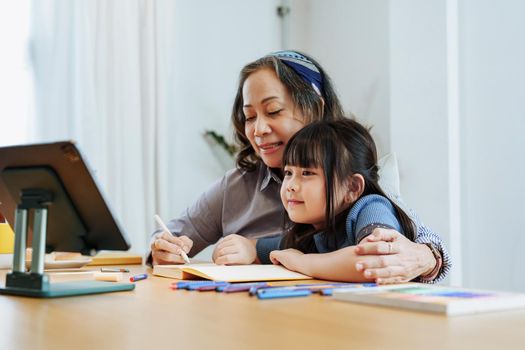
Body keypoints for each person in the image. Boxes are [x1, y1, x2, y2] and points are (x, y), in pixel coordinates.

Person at [148, 50, 449, 283]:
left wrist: (426, 256)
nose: (258, 129)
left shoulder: (358, 186)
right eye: (250, 117)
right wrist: (164, 249)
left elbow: (415, 243)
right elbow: (169, 237)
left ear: (315, 108)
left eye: (274, 111)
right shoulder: (236, 185)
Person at [263, 118, 426, 282]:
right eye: (289, 173)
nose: (291, 186)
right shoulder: (309, 229)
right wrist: (248, 247)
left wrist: (300, 261)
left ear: (353, 187)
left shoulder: (371, 207)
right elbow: (275, 250)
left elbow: (374, 261)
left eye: (307, 173)